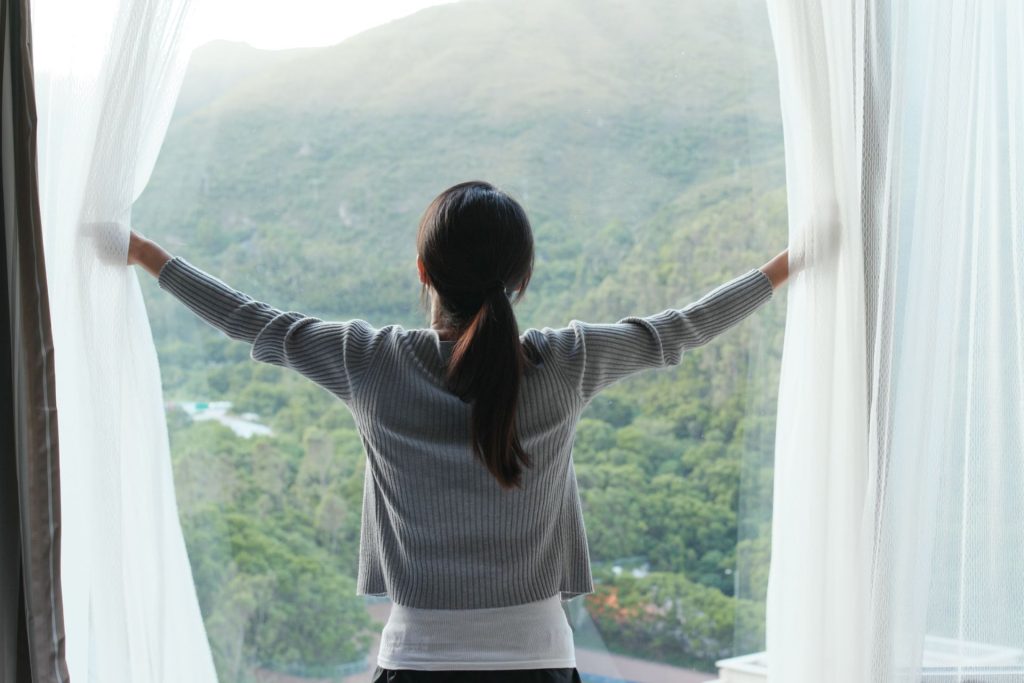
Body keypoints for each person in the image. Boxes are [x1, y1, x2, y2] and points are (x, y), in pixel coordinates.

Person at [128, 180, 789, 682]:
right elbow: (682, 328)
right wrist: (785, 266)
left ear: (424, 273)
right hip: (540, 661)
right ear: (520, 279)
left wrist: (146, 254)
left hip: (415, 661)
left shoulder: (369, 361)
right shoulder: (568, 363)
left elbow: (252, 320)